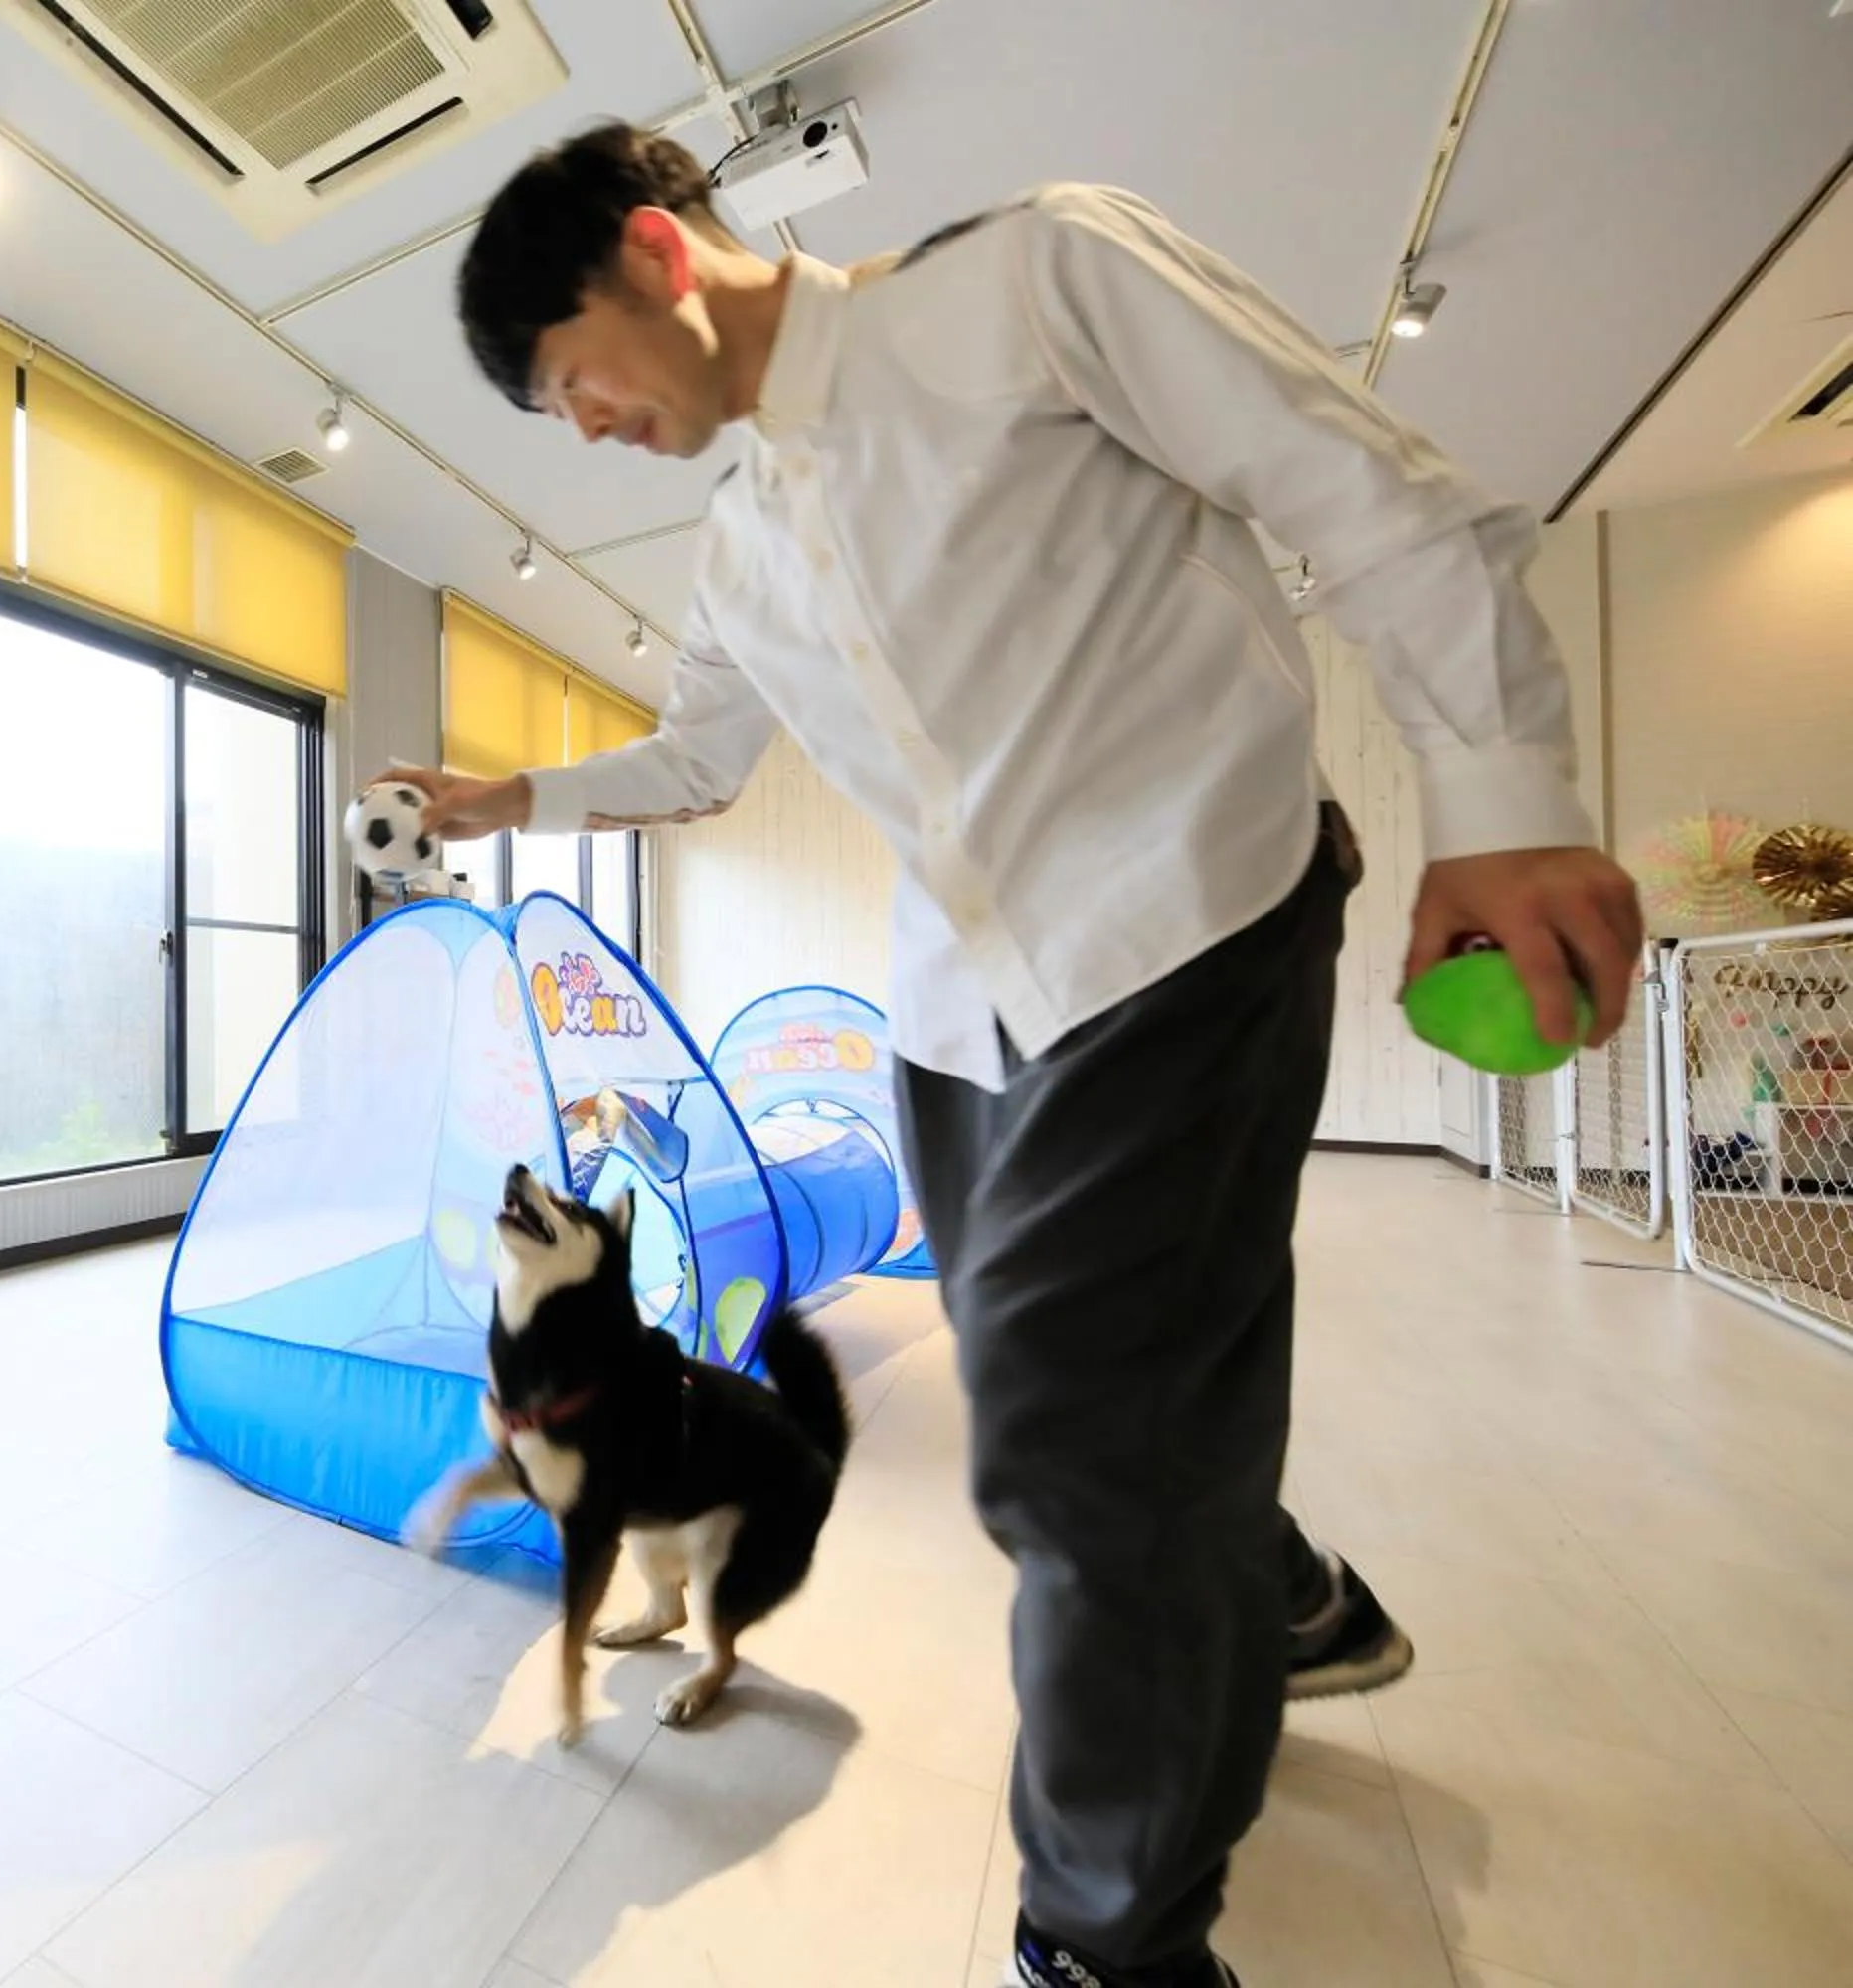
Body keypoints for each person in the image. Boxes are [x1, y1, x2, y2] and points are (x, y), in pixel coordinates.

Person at [399, 128, 1643, 1988]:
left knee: (1067, 1454)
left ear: (658, 255)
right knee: (1115, 1426)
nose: (579, 429)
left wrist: (1502, 796)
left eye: (573, 380)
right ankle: (1275, 1596)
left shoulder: (1027, 285)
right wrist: (515, 795)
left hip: (1185, 909)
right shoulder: (736, 540)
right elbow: (702, 760)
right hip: (959, 1015)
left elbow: (1363, 488)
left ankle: (1105, 1944)